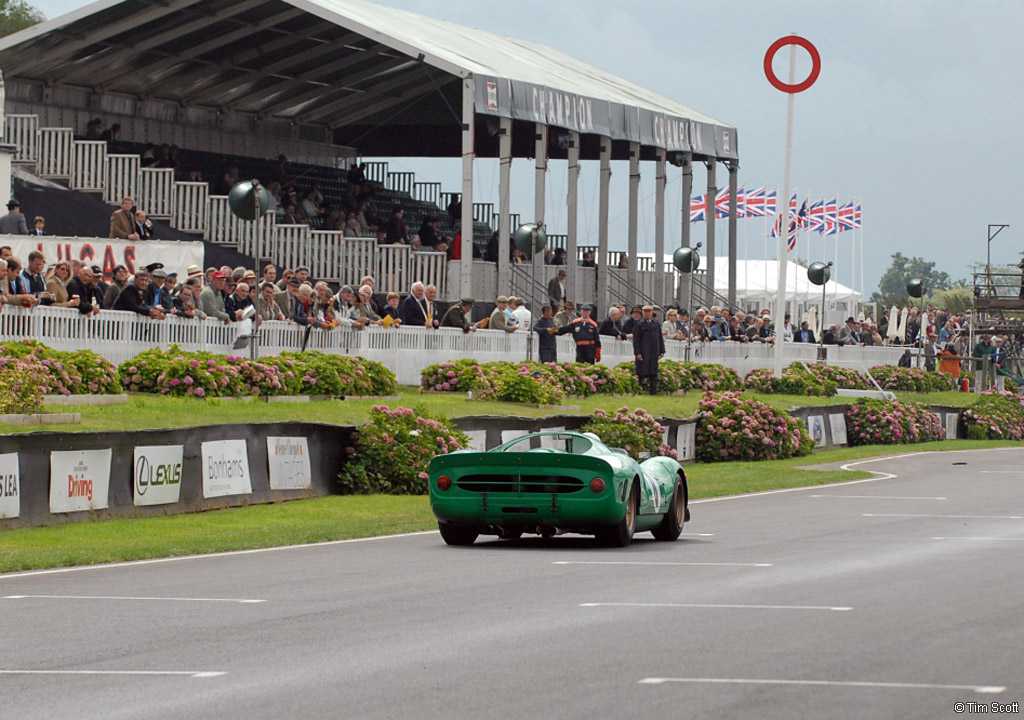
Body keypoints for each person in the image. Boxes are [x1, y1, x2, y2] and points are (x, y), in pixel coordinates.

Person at [633, 305, 665, 395]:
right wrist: (637, 352)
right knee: (641, 371)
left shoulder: (656, 324)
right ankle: (639, 390)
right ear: (642, 313)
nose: (647, 313)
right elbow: (636, 340)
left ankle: (653, 391)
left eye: (649, 311)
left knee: (653, 372)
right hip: (643, 351)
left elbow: (660, 338)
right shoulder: (639, 324)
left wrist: (662, 350)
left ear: (652, 313)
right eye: (645, 311)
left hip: (654, 351)